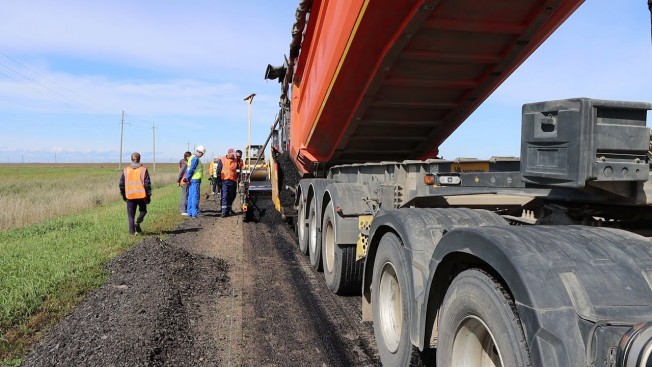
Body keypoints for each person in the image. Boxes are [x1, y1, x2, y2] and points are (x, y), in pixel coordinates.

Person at [119, 152, 151, 235]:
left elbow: (121, 184)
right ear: (139, 159)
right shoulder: (143, 169)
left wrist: (124, 195)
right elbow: (147, 184)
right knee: (143, 211)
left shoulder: (126, 170)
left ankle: (132, 233)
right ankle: (138, 222)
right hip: (141, 196)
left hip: (129, 196)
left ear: (131, 159)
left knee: (130, 215)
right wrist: (148, 196)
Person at [217, 148, 239, 217]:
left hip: (233, 181)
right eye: (232, 155)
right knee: (225, 196)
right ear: (229, 154)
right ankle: (223, 212)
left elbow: (237, 169)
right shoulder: (222, 159)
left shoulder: (235, 160)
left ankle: (228, 210)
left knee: (231, 196)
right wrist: (218, 181)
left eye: (234, 155)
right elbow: (218, 170)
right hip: (225, 181)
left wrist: (238, 173)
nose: (233, 156)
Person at [185, 145, 206, 218]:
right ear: (199, 152)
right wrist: (187, 178)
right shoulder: (196, 159)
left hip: (191, 179)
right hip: (195, 180)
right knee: (195, 196)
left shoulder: (191, 157)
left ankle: (190, 212)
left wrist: (187, 178)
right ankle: (195, 212)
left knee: (191, 196)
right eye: (202, 153)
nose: (202, 155)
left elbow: (189, 169)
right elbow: (191, 169)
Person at [177, 151, 192, 215]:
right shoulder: (185, 164)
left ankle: (183, 209)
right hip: (184, 181)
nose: (190, 158)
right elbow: (181, 173)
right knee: (185, 196)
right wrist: (178, 181)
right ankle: (183, 211)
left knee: (185, 195)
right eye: (189, 156)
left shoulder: (183, 163)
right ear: (186, 157)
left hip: (184, 181)